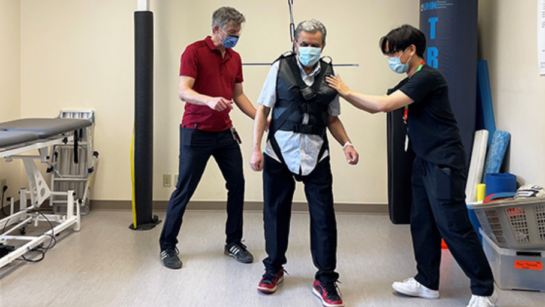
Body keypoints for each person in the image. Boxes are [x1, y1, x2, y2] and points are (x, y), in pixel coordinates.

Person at [326, 24, 497, 307]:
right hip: (423, 159)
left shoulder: (428, 77)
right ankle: (427, 282)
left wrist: (345, 90)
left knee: (453, 226)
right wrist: (343, 94)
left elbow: (383, 105)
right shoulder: (409, 80)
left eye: (393, 53)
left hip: (444, 162)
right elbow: (374, 106)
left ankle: (484, 290)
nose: (391, 59)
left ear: (411, 50)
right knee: (422, 223)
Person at [250, 19, 358, 307]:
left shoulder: (330, 75)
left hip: (316, 153)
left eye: (315, 45)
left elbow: (333, 118)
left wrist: (346, 144)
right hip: (278, 153)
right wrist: (255, 149)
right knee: (274, 213)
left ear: (323, 46)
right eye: (305, 44)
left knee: (324, 218)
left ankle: (325, 279)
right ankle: (273, 268)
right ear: (295, 43)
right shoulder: (279, 68)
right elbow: (262, 110)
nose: (310, 49)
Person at [159, 6, 256, 270]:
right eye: (232, 32)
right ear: (217, 29)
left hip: (224, 134)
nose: (236, 37)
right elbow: (183, 91)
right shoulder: (194, 51)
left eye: (238, 33)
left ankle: (233, 242)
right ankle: (167, 246)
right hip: (196, 132)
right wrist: (209, 100)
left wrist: (261, 119)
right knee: (184, 190)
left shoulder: (234, 57)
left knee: (237, 184)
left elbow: (239, 95)